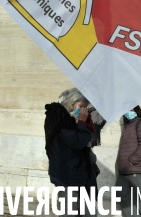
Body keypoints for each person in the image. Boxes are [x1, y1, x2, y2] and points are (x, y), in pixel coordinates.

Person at [44, 88, 97, 216]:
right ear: (71, 102)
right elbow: (77, 141)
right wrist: (82, 122)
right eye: (81, 106)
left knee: (84, 210)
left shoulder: (70, 119)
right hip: (67, 174)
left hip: (76, 172)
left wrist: (84, 123)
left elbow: (86, 141)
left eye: (86, 108)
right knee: (69, 211)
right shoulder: (59, 118)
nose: (84, 110)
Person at [115, 106, 141, 217]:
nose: (128, 112)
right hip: (124, 169)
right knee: (120, 193)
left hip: (137, 167)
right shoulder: (128, 126)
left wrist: (132, 160)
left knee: (140, 199)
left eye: (131, 110)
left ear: (137, 110)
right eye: (126, 110)